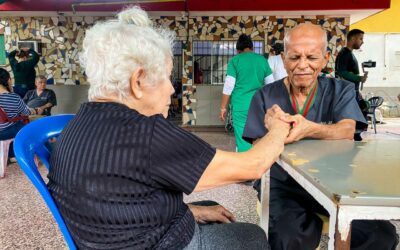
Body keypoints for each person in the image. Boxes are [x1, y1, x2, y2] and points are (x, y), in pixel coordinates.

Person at [47, 7, 291, 250]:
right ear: (138, 81)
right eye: (165, 77)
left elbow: (114, 198)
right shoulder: (146, 134)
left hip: (118, 236)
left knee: (206, 206)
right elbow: (252, 166)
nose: (172, 89)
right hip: (158, 243)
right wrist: (278, 127)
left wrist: (193, 212)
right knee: (253, 237)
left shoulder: (74, 127)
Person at [243, 23, 398, 250]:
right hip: (283, 185)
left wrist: (309, 129)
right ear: (284, 59)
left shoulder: (341, 90)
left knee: (381, 235)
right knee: (290, 237)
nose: (302, 65)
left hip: (336, 182)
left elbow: (347, 129)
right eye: (294, 57)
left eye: (311, 57)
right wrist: (274, 130)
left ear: (325, 59)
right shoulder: (266, 96)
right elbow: (257, 148)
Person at [219, 34, 274, 153]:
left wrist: (223, 108)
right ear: (252, 47)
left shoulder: (235, 61)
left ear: (238, 49)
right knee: (258, 137)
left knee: (244, 139)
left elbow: (228, 86)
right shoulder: (262, 60)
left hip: (241, 106)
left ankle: (246, 167)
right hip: (259, 106)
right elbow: (271, 84)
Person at [335, 29, 368, 141]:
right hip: (347, 93)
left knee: (361, 113)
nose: (362, 42)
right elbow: (341, 72)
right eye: (360, 39)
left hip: (352, 92)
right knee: (355, 120)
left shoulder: (349, 54)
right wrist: (359, 78)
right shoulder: (344, 54)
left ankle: (355, 138)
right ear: (353, 39)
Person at [0, 68, 37, 159]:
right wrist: (34, 110)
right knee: (33, 127)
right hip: (5, 132)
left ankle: (8, 155)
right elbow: (26, 112)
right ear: (8, 80)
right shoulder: (13, 97)